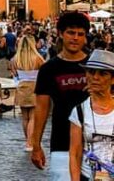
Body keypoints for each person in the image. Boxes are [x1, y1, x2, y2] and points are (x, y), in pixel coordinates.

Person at [32, 11, 90, 180]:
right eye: (71, 33)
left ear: (85, 37)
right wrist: (36, 145)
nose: (75, 38)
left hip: (94, 144)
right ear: (60, 34)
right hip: (61, 143)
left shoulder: (94, 67)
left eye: (80, 34)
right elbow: (41, 108)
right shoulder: (48, 69)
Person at [69, 49, 114, 181]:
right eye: (91, 72)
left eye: (103, 74)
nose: (95, 77)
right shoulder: (79, 110)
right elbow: (75, 153)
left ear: (112, 79)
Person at [11, 34, 45, 152]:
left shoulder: (16, 58)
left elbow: (14, 74)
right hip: (35, 87)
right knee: (32, 117)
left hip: (21, 87)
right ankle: (30, 143)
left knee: (25, 117)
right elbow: (45, 72)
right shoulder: (38, 58)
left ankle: (28, 141)